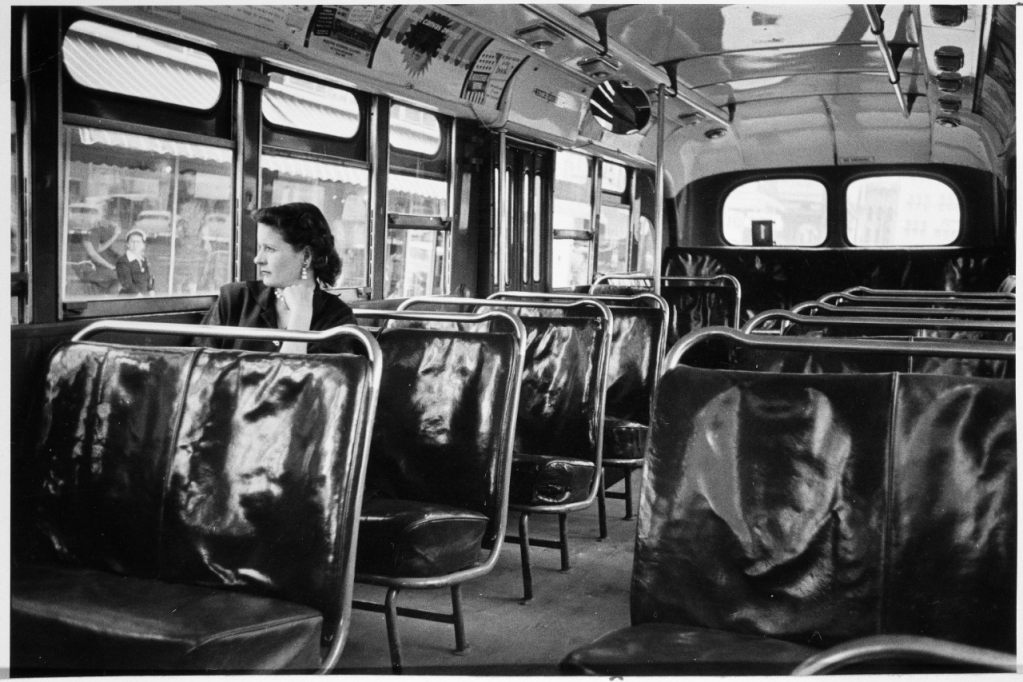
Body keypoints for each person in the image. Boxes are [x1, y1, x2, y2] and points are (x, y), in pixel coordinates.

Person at [197, 202, 357, 354]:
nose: (258, 259)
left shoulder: (337, 319)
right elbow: (196, 367)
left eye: (270, 249)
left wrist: (300, 316)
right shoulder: (235, 299)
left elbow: (299, 381)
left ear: (306, 256)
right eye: (260, 248)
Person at [80, 217, 123, 295]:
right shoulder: (87, 232)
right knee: (115, 277)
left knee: (117, 277)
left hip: (91, 267)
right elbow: (92, 253)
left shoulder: (94, 232)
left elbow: (99, 249)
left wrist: (115, 236)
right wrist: (110, 266)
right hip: (84, 268)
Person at [115, 229, 155, 296]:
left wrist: (151, 291)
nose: (135, 244)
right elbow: (127, 283)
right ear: (127, 244)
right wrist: (139, 296)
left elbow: (149, 278)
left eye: (138, 242)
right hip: (129, 298)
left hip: (144, 296)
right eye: (132, 241)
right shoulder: (123, 261)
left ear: (143, 245)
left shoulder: (143, 260)